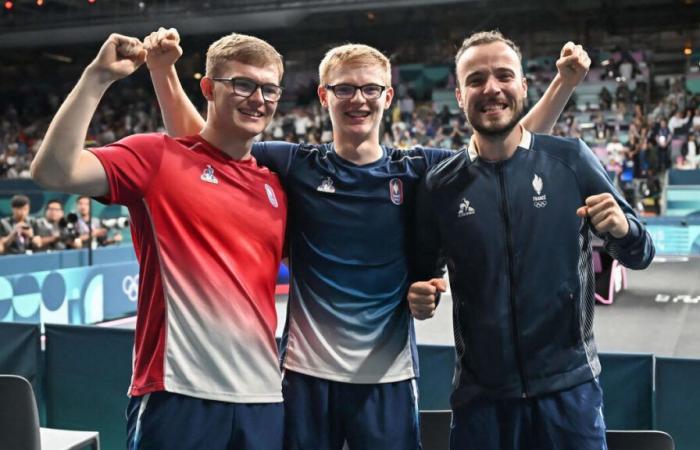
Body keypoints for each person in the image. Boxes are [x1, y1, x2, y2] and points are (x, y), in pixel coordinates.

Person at [145, 27, 590, 450]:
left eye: (370, 89)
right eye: (344, 89)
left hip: (390, 380)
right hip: (305, 376)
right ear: (324, 96)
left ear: (387, 96)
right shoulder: (296, 164)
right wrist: (163, 72)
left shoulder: (418, 169)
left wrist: (563, 85)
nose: (358, 99)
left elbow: (509, 147)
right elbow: (203, 142)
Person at [30, 32, 288, 450]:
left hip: (264, 400)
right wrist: (96, 78)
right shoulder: (157, 159)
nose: (257, 98)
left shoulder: (277, 186)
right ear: (207, 88)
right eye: (242, 84)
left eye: (269, 88)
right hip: (176, 394)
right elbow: (54, 172)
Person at [408, 30, 655, 450]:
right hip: (480, 400)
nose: (491, 89)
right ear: (459, 92)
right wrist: (419, 295)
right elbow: (422, 274)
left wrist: (624, 229)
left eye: (504, 76)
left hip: (569, 392)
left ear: (523, 86)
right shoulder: (441, 186)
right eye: (476, 79)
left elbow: (640, 252)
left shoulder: (570, 159)